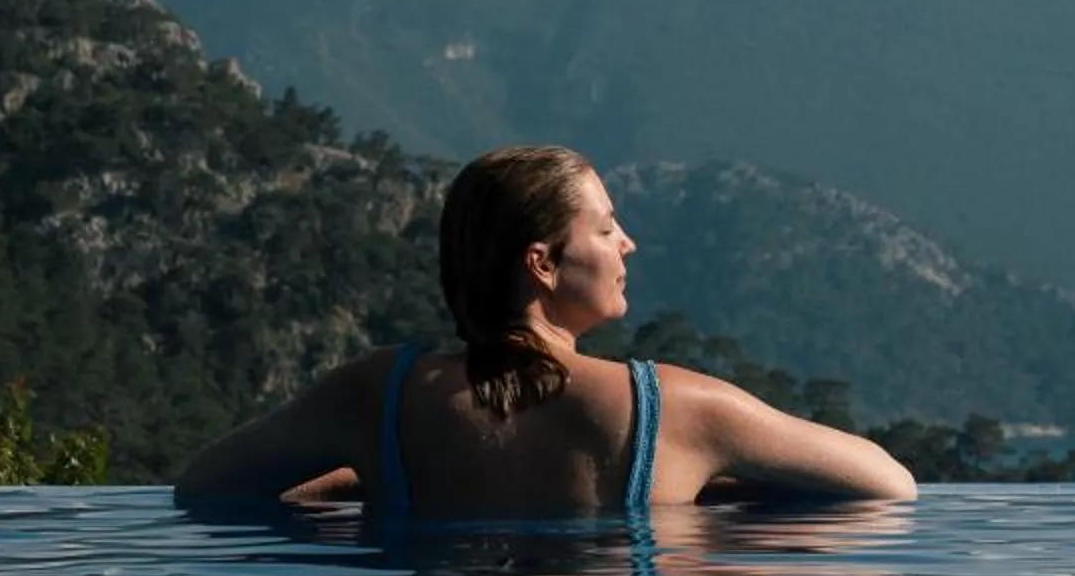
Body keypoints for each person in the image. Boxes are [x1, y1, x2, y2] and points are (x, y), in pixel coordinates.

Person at [173, 145, 917, 517]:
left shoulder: (380, 395)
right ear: (544, 263)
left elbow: (203, 490)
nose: (627, 245)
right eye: (605, 227)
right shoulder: (673, 411)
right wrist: (713, 485)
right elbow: (890, 486)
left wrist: (355, 478)